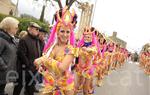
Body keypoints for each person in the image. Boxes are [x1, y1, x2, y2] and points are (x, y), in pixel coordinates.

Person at [34, 7, 77, 95]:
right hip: (49, 84)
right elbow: (43, 65)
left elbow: (62, 68)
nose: (65, 35)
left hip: (65, 87)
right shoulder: (51, 47)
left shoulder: (71, 49)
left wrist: (43, 59)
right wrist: (41, 66)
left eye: (68, 32)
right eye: (62, 31)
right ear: (57, 32)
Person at [13, 22, 41, 95]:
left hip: (33, 69)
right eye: (36, 29)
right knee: (18, 88)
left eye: (39, 30)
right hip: (24, 70)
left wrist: (37, 64)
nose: (38, 31)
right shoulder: (24, 39)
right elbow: (21, 54)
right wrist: (29, 65)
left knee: (30, 89)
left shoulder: (36, 40)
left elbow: (38, 53)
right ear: (30, 29)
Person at [0, 17, 19, 95]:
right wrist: (4, 66)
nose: (17, 29)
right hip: (1, 72)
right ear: (8, 28)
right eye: (15, 28)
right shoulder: (2, 39)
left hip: (4, 73)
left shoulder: (10, 38)